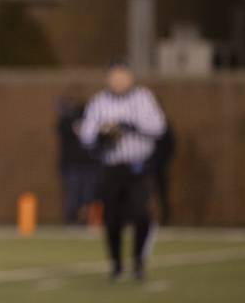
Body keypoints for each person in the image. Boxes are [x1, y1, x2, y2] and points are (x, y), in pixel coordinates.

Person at [79, 60, 166, 281]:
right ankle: (116, 265)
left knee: (141, 215)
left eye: (122, 76)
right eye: (114, 76)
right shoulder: (99, 101)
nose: (118, 81)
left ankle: (138, 261)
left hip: (137, 166)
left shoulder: (143, 98)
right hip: (111, 167)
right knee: (112, 218)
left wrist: (132, 127)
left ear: (130, 77)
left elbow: (159, 127)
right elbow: (86, 134)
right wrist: (101, 137)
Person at [56, 95, 100, 224]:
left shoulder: (93, 122)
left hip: (89, 164)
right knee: (73, 194)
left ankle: (87, 220)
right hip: (73, 165)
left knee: (89, 195)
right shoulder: (66, 122)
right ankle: (71, 220)